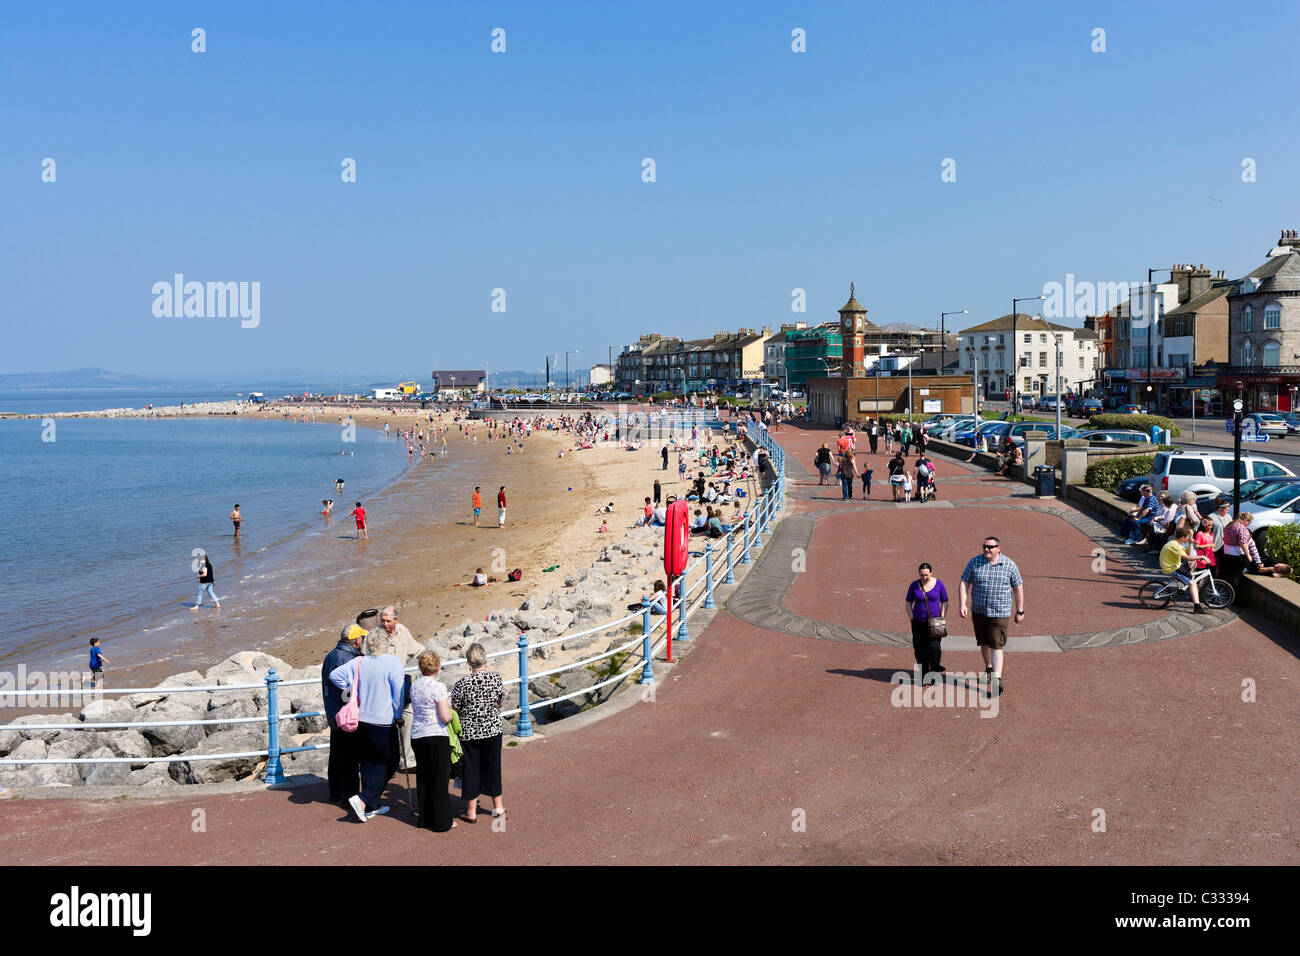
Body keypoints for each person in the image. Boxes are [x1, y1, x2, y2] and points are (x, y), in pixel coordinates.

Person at [330, 641, 405, 821]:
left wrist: (350, 690)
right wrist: (398, 713)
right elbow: (398, 693)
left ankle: (371, 806)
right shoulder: (392, 662)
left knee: (369, 762)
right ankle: (365, 799)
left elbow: (334, 675)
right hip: (383, 721)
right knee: (390, 760)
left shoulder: (359, 661)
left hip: (362, 720)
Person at [958, 536, 1024, 698]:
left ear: (998, 548)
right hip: (979, 611)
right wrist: (963, 603)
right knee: (984, 642)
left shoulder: (1009, 565)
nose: (986, 549)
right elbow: (964, 582)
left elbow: (1018, 587)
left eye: (990, 547)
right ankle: (988, 667)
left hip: (999, 612)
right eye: (984, 547)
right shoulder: (974, 562)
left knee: (996, 644)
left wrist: (1020, 610)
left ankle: (997, 679)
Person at [450, 643, 506, 824]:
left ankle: (471, 811)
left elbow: (455, 708)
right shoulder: (495, 678)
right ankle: (498, 807)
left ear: (469, 663)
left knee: (471, 769)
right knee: (493, 766)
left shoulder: (462, 684)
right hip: (492, 729)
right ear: (485, 660)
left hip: (469, 733)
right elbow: (500, 703)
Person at [409, 650, 455, 832]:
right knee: (439, 779)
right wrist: (452, 716)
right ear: (437, 666)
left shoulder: (414, 687)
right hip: (436, 735)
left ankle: (425, 818)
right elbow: (444, 716)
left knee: (424, 778)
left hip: (418, 735)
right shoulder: (438, 687)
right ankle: (443, 821)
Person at [322, 623, 365, 804]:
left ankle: (335, 791)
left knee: (336, 752)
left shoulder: (330, 655)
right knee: (350, 756)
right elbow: (350, 690)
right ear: (356, 641)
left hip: (332, 711)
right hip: (346, 714)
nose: (363, 640)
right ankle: (350, 795)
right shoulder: (349, 659)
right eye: (361, 637)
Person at [905, 563, 948, 680]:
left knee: (934, 649)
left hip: (934, 623)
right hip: (918, 623)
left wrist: (942, 616)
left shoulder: (939, 584)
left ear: (931, 573)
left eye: (926, 575)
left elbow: (945, 601)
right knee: (920, 650)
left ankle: (933, 671)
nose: (924, 578)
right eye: (921, 575)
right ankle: (924, 674)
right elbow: (908, 602)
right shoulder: (914, 585)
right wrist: (912, 618)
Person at [1159, 527, 1209, 614]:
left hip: (1174, 565)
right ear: (1182, 537)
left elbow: (1187, 553)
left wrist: (1190, 544)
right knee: (1193, 583)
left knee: (1190, 576)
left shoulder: (1177, 543)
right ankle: (1197, 607)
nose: (1189, 538)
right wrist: (1202, 557)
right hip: (1172, 568)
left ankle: (1187, 588)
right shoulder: (1175, 545)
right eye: (1188, 537)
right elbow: (1187, 558)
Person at [1221, 512, 1265, 594]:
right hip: (1237, 555)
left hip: (1226, 553)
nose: (1248, 525)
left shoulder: (1229, 525)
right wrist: (1248, 555)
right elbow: (1243, 543)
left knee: (1227, 575)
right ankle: (1232, 597)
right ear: (1246, 520)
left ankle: (1222, 593)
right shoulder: (1242, 528)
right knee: (1235, 577)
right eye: (1249, 522)